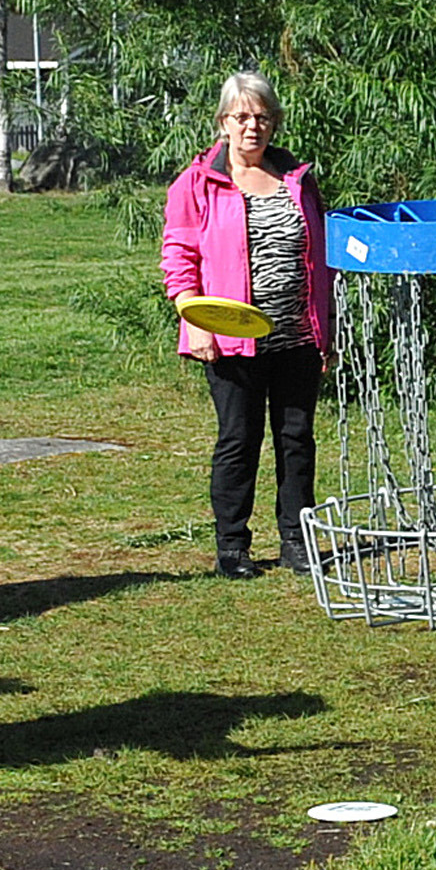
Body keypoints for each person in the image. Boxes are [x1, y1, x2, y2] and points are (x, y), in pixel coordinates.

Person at [160, 71, 333, 580]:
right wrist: (195, 321)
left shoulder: (299, 180)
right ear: (223, 122)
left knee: (296, 439)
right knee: (238, 438)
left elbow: (320, 258)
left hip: (297, 335)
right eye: (241, 117)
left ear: (274, 123)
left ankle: (297, 543)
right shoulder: (197, 183)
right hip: (230, 339)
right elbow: (179, 257)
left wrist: (328, 330)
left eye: (261, 117)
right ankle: (232, 547)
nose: (251, 127)